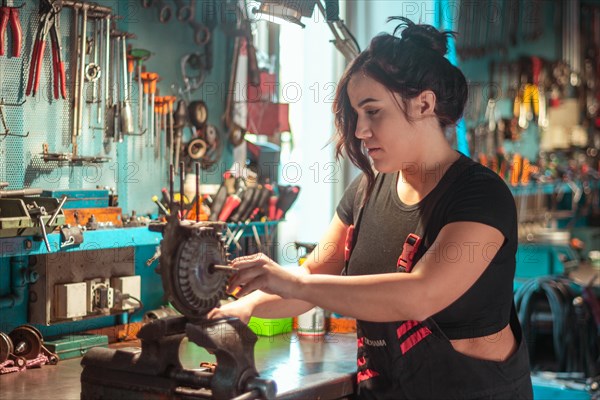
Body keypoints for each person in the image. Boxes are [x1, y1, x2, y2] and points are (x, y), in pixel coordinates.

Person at [208, 17, 533, 399]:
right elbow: (314, 274)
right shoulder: (366, 191)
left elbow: (421, 294)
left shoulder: (479, 195)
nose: (360, 130)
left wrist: (293, 281)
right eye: (356, 115)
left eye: (372, 111)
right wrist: (243, 308)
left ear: (424, 103)